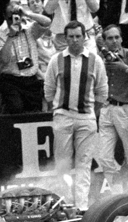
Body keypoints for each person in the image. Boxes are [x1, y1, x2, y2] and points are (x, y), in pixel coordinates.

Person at [44, 20, 108, 209]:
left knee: (84, 164)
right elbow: (48, 90)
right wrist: (58, 110)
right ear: (65, 38)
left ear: (84, 37)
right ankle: (65, 205)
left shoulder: (95, 60)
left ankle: (81, 207)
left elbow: (102, 91)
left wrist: (90, 113)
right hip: (63, 116)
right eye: (70, 37)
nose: (74, 40)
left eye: (78, 36)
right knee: (62, 165)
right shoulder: (56, 60)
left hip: (86, 117)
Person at [97, 24, 128, 193]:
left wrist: (124, 68)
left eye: (117, 37)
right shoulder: (101, 57)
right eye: (110, 38)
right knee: (104, 157)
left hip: (126, 108)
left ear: (122, 38)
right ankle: (118, 193)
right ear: (105, 41)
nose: (114, 41)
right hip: (106, 108)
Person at [0, 0, 50, 113]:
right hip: (11, 80)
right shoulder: (0, 34)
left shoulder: (30, 30)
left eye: (17, 17)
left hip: (30, 79)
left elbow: (47, 22)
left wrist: (27, 13)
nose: (14, 20)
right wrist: (11, 37)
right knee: (16, 107)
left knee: (34, 111)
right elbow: (3, 59)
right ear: (5, 16)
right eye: (11, 18)